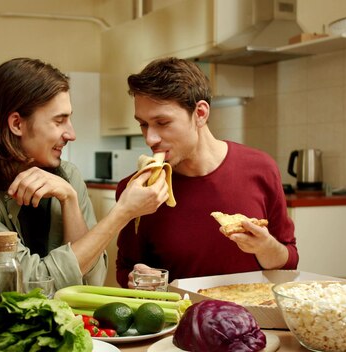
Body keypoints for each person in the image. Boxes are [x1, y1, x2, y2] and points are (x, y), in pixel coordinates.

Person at [0, 57, 169, 303]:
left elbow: (90, 281)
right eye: (59, 121)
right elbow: (28, 287)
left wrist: (70, 199)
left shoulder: (68, 177)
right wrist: (121, 213)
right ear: (17, 124)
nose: (71, 134)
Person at [115, 57, 298, 288]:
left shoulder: (261, 168)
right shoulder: (135, 190)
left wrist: (265, 247)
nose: (150, 138)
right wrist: (137, 278)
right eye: (143, 124)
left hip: (250, 318)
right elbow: (125, 269)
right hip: (178, 319)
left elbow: (289, 260)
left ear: (200, 113)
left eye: (162, 122)